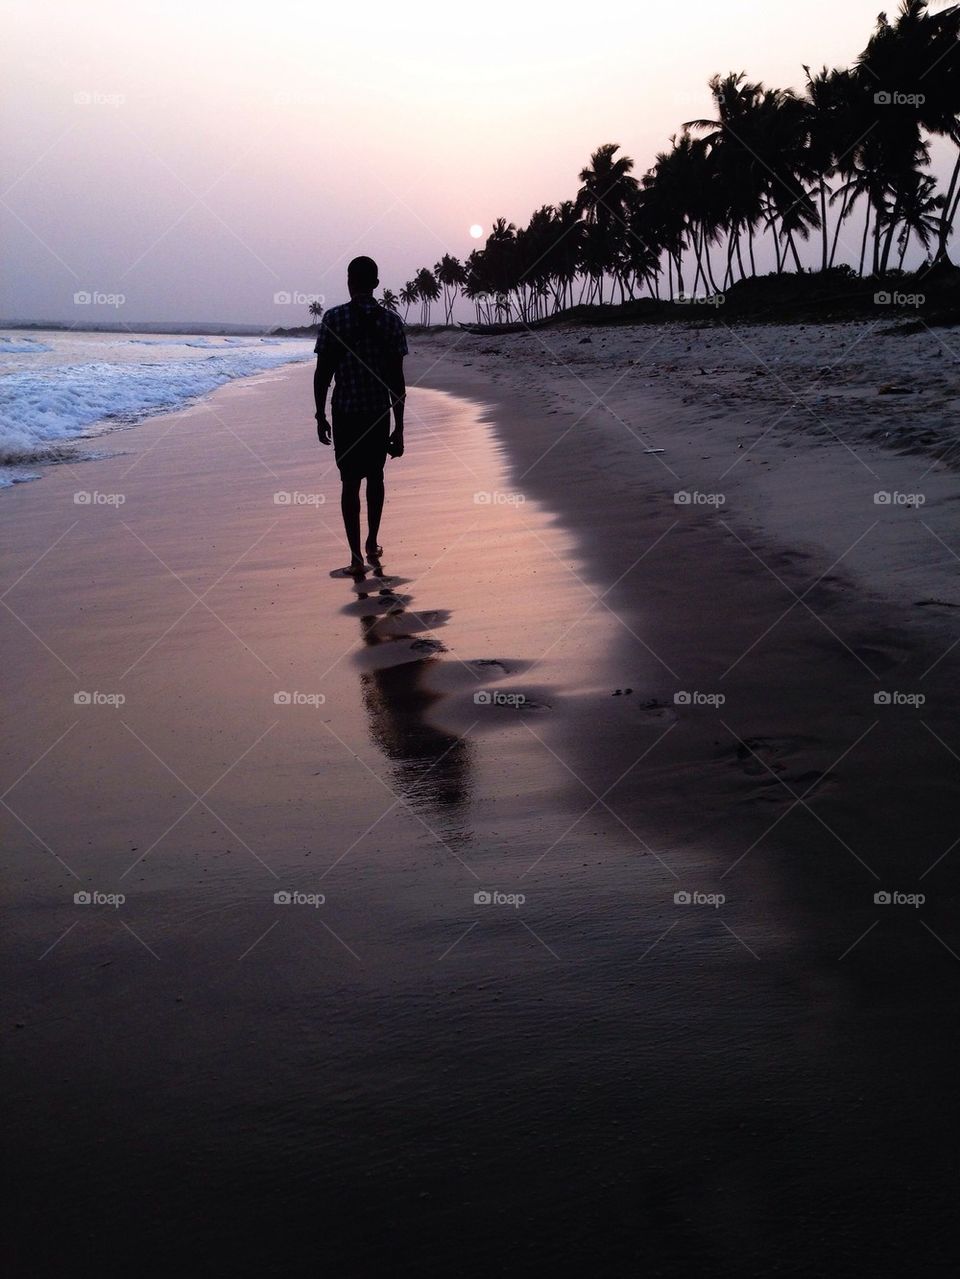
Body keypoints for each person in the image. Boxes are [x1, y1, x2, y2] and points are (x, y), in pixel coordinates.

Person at [314, 256, 407, 573]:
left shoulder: (334, 319)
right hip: (378, 413)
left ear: (349, 281)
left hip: (345, 414)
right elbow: (397, 381)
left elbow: (322, 375)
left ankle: (355, 556)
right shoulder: (392, 322)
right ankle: (372, 541)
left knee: (349, 482)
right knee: (376, 477)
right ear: (377, 284)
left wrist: (319, 415)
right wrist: (400, 427)